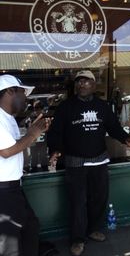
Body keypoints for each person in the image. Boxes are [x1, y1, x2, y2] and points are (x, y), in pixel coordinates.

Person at [47, 70, 130, 256]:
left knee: (99, 199)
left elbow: (114, 127)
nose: (82, 85)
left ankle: (93, 229)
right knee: (77, 203)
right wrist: (55, 150)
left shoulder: (102, 106)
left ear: (93, 85)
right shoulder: (66, 107)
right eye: (79, 82)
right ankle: (77, 239)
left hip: (99, 159)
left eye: (86, 81)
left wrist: (126, 139)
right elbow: (55, 132)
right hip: (75, 162)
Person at [0, 74, 51, 256]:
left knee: (30, 227)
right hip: (3, 192)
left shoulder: (9, 118)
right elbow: (6, 151)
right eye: (23, 93)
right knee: (10, 244)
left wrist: (31, 132)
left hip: (13, 188)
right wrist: (33, 135)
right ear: (10, 92)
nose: (26, 98)